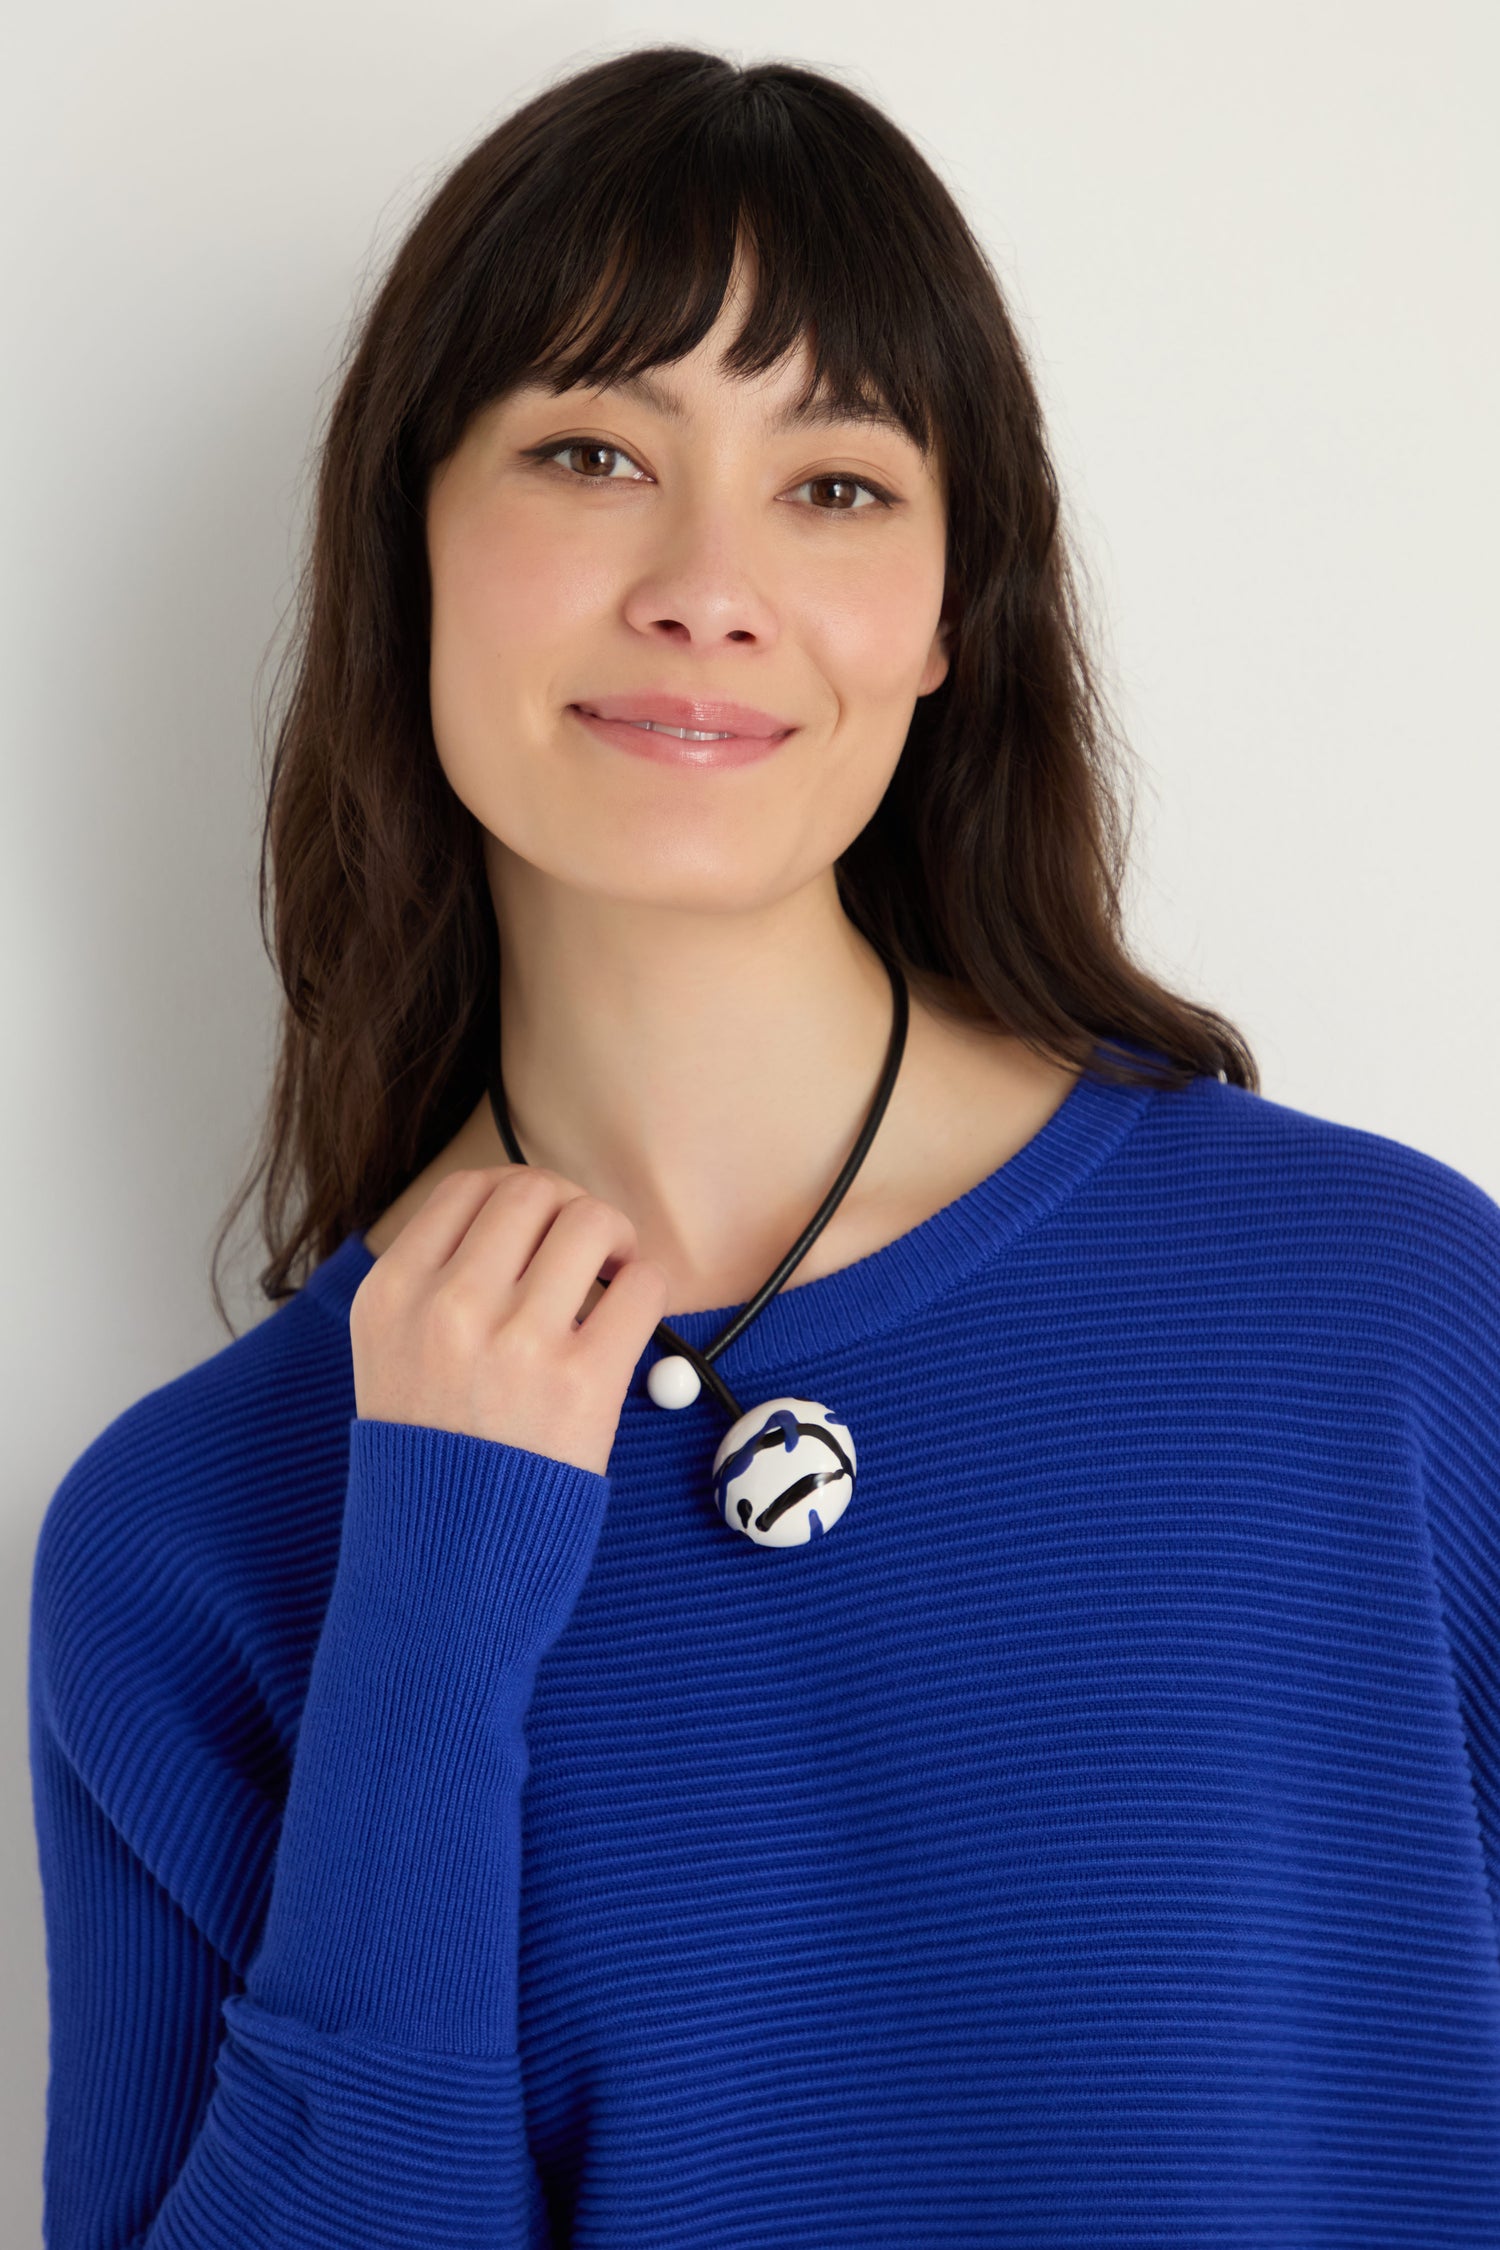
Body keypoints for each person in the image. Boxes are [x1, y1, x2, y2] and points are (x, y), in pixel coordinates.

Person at [26, 42, 1500, 2249]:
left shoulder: (1383, 1327)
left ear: (950, 616)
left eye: (835, 484)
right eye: (594, 452)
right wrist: (428, 1606)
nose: (708, 583)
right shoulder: (197, 1534)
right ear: (408, 548)